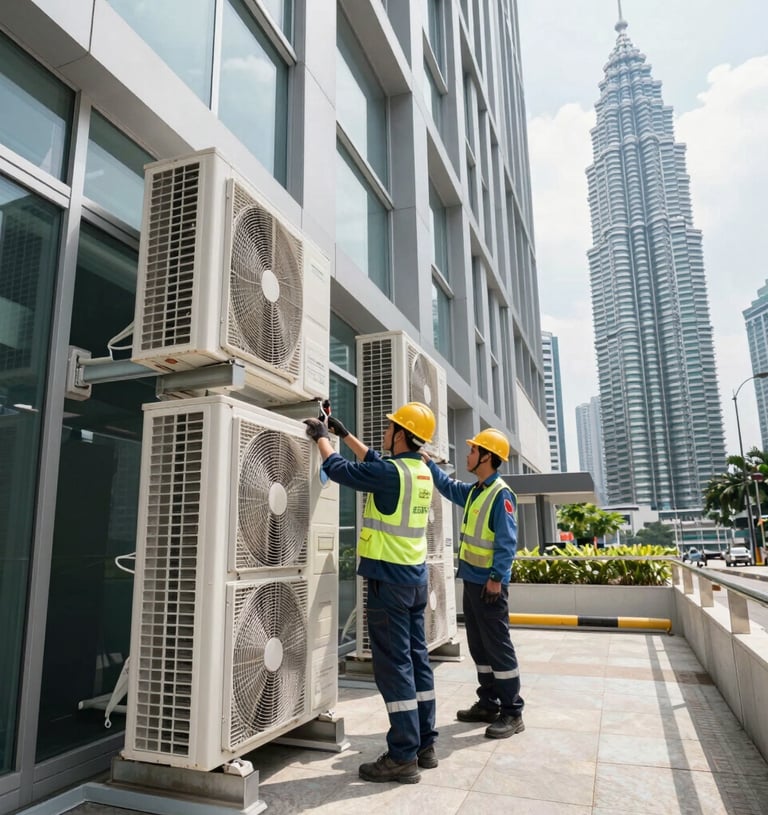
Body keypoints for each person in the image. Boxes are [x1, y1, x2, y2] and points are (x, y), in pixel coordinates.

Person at [303, 402, 438, 784]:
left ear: (401, 434)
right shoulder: (420, 470)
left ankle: (402, 756)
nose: (385, 432)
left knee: (394, 668)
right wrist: (345, 435)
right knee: (417, 661)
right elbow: (375, 461)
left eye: (391, 427)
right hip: (415, 580)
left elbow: (340, 469)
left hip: (388, 583)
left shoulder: (391, 473)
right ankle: (425, 744)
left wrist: (323, 439)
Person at [424, 428, 525, 739]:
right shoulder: (476, 491)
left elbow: (507, 543)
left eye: (472, 451)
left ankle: (512, 711)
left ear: (487, 457)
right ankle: (488, 702)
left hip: (489, 586)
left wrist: (496, 579)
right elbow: (449, 487)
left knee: (498, 646)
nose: (467, 455)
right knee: (480, 646)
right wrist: (429, 465)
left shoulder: (500, 495)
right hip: (471, 581)